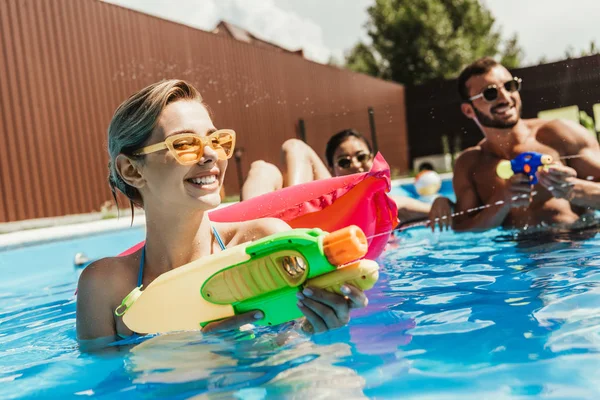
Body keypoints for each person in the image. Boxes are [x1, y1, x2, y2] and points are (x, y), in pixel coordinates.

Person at [76, 80, 368, 351]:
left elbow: (295, 353)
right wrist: (198, 351)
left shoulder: (264, 243)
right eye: (184, 144)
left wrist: (317, 327)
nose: (211, 154)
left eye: (217, 140)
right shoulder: (105, 287)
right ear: (131, 169)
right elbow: (104, 383)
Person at [452, 57, 600, 232]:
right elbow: (461, 228)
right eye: (490, 93)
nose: (505, 98)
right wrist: (502, 201)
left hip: (578, 248)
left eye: (510, 86)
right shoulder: (470, 164)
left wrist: (574, 189)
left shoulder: (560, 134)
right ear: (468, 110)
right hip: (520, 256)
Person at [242, 129, 454, 231]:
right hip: (318, 215)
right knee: (261, 169)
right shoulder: (329, 199)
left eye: (362, 157)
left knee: (291, 148)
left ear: (372, 159)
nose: (355, 164)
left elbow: (446, 213)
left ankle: (280, 217)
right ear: (333, 170)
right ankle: (254, 226)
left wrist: (442, 202)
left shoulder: (385, 204)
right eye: (344, 162)